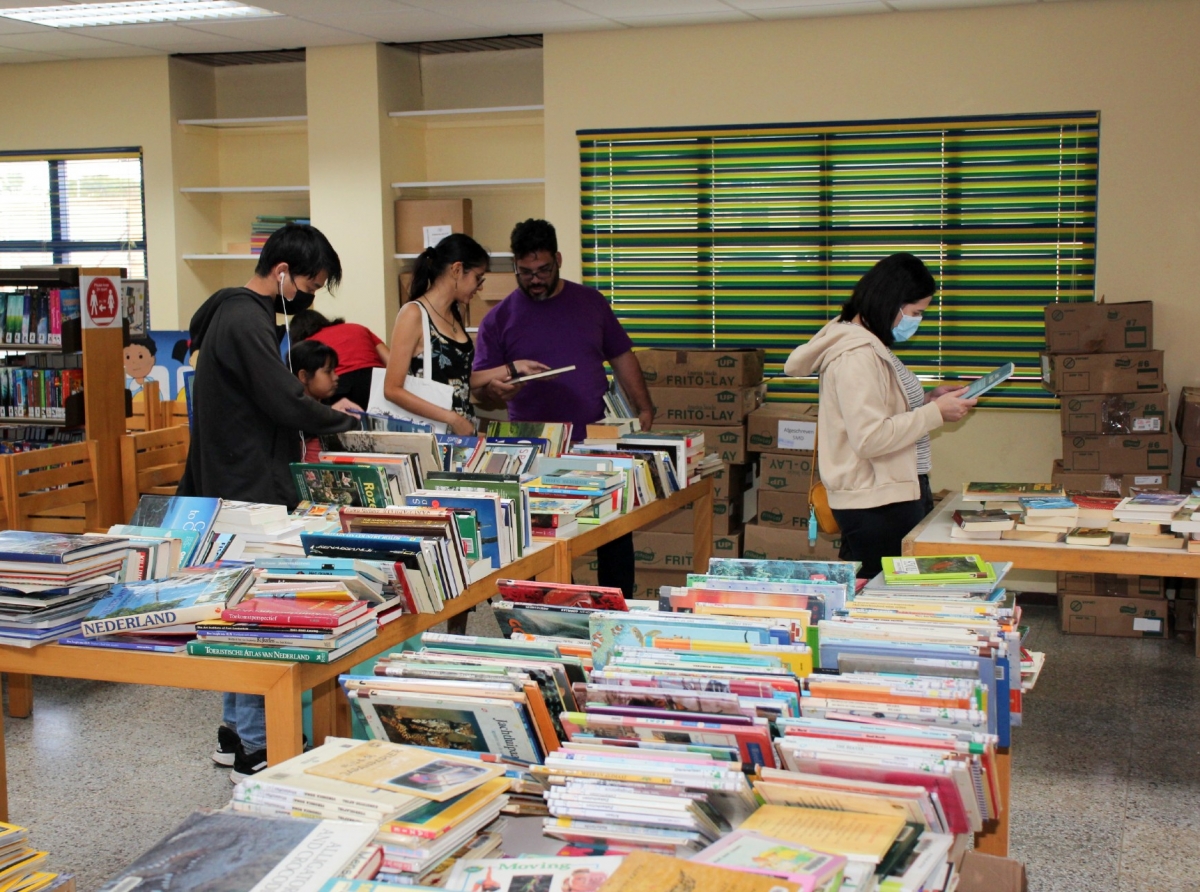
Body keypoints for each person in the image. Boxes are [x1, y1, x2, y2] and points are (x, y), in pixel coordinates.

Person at [177, 222, 359, 782]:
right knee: (260, 620)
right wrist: (341, 419)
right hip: (248, 488)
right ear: (282, 272)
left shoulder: (234, 317)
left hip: (236, 482)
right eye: (309, 283)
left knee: (237, 613)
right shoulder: (243, 320)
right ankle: (258, 746)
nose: (308, 297)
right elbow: (284, 399)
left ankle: (235, 736)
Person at [470, 218, 655, 597]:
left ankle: (620, 607)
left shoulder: (590, 303)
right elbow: (480, 390)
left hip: (597, 437)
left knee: (615, 533)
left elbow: (622, 357)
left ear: (558, 259)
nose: (535, 280)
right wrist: (497, 393)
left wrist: (644, 408)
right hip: (535, 447)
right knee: (544, 539)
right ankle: (559, 611)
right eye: (525, 273)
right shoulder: (498, 319)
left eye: (543, 270)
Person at [783, 253, 977, 579]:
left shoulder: (870, 345)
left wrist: (929, 400)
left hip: (888, 493)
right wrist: (933, 414)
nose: (919, 320)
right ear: (893, 303)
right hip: (877, 504)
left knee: (893, 590)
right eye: (916, 313)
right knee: (890, 595)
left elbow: (881, 409)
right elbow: (870, 437)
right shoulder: (856, 356)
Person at [382, 234, 509, 436]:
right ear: (457, 270)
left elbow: (458, 378)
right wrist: (451, 418)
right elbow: (392, 389)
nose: (480, 286)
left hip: (462, 435)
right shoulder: (414, 314)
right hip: (434, 437)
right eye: (478, 278)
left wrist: (511, 368)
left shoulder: (455, 314)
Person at [288, 309, 389, 410]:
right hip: (377, 380)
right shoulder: (358, 328)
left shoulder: (310, 345)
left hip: (340, 387)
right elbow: (391, 361)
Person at [290, 339, 361, 462]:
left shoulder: (332, 409)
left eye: (334, 370)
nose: (336, 377)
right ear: (303, 376)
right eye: (328, 371)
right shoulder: (288, 415)